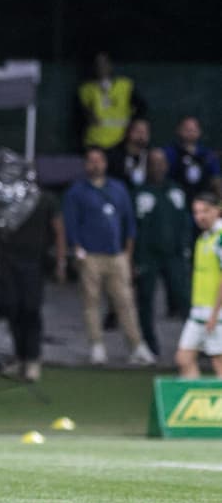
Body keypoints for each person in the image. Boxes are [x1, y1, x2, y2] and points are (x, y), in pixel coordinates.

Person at [63, 146, 156, 365]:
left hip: (117, 255)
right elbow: (71, 224)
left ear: (105, 163)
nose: (95, 164)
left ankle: (136, 346)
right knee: (91, 302)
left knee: (125, 301)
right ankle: (97, 347)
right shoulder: (76, 192)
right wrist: (77, 249)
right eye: (91, 161)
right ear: (86, 165)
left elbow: (129, 222)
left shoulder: (118, 188)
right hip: (90, 256)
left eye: (99, 160)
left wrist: (128, 253)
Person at [0, 174, 67, 382]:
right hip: (8, 262)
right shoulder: (5, 198)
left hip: (34, 262)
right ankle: (19, 357)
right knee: (12, 307)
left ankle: (33, 359)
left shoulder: (45, 199)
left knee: (31, 309)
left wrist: (61, 262)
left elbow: (58, 229)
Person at [133, 148, 191, 355]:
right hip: (148, 256)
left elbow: (185, 222)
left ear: (166, 166)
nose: (158, 167)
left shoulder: (175, 190)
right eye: (153, 163)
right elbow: (134, 228)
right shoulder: (140, 192)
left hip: (174, 255)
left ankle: (193, 344)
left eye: (161, 162)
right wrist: (136, 258)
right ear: (147, 167)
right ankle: (150, 344)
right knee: (146, 300)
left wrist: (184, 248)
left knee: (183, 298)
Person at [175, 193, 222, 378]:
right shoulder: (203, 238)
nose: (200, 216)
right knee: (183, 358)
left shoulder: (219, 239)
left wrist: (214, 313)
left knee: (219, 362)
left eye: (205, 211)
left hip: (216, 313)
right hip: (198, 311)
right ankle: (199, 404)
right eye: (196, 212)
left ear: (217, 211)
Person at [77, 51, 145, 150]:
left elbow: (141, 108)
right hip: (96, 142)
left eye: (104, 63)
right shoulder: (86, 89)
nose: (101, 67)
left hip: (121, 141)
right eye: (98, 64)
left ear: (110, 65)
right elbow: (84, 114)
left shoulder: (125, 86)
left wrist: (132, 126)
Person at [163, 116, 222, 205]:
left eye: (194, 129)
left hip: (203, 202)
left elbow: (217, 180)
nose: (190, 132)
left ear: (199, 132)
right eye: (186, 129)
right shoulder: (169, 153)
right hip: (175, 200)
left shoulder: (208, 155)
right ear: (178, 130)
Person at [106, 117, 151, 191]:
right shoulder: (113, 156)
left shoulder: (152, 155)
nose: (141, 136)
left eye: (145, 132)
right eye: (138, 131)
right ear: (128, 132)